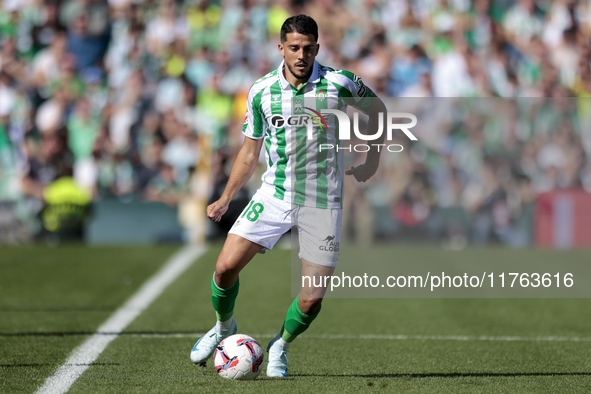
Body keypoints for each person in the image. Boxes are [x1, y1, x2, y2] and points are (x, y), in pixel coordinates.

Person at [190, 14, 385, 377]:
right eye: (293, 48)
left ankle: (280, 347)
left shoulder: (338, 83)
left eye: (308, 49)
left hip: (322, 203)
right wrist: (225, 197)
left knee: (312, 298)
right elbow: (250, 153)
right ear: (280, 48)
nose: (301, 55)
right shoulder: (261, 90)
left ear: (317, 49)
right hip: (275, 194)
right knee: (224, 267)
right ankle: (223, 327)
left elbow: (378, 111)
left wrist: (371, 157)